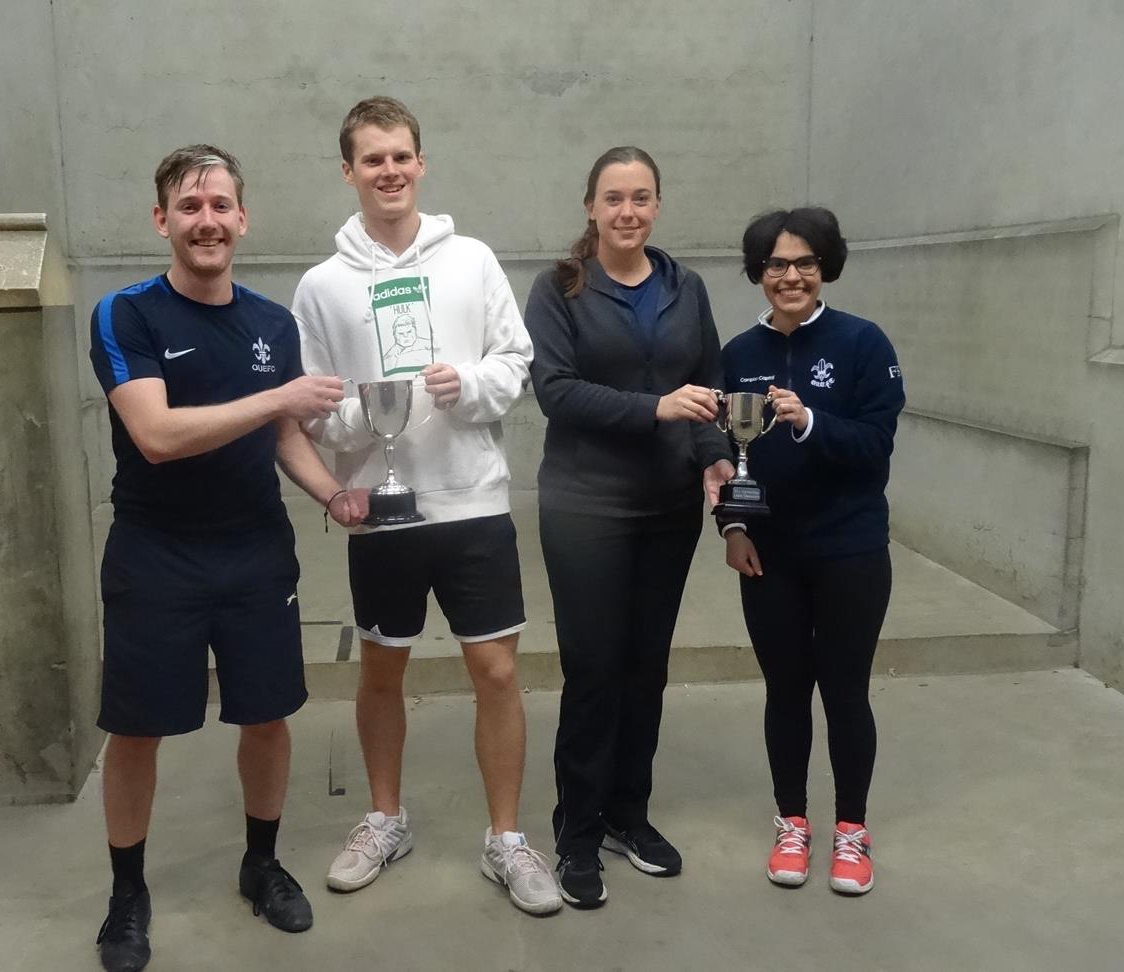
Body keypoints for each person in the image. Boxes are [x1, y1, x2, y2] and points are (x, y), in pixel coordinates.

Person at [88, 145, 364, 972]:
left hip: (254, 556)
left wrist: (332, 495)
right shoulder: (125, 315)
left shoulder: (271, 324)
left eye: (220, 206)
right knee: (136, 731)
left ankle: (262, 863)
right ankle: (127, 893)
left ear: (242, 218)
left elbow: (282, 435)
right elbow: (157, 435)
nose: (206, 221)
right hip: (155, 555)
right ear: (162, 219)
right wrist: (282, 394)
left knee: (266, 715)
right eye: (189, 206)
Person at [291, 97, 561, 916]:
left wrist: (468, 385)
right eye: (371, 158)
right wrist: (364, 416)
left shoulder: (471, 260)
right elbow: (310, 406)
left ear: (421, 162)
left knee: (497, 670)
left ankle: (506, 838)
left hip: (472, 505)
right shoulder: (322, 285)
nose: (389, 170)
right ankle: (384, 817)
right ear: (348, 171)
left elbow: (517, 359)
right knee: (381, 670)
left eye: (401, 155)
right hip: (381, 509)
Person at [523, 147, 734, 909]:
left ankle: (627, 815)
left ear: (657, 206)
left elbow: (709, 385)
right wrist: (654, 408)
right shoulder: (559, 289)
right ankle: (576, 833)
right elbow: (555, 391)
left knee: (648, 667)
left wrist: (713, 456)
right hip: (585, 506)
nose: (628, 212)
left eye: (642, 197)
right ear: (591, 207)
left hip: (668, 506)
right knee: (595, 671)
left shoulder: (687, 287)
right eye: (614, 198)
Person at [717, 207, 904, 896]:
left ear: (825, 267)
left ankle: (850, 830)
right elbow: (725, 454)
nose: (790, 276)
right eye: (775, 264)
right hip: (768, 554)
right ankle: (791, 822)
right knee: (785, 689)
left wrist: (809, 421)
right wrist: (732, 531)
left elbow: (874, 447)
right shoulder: (738, 353)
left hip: (849, 546)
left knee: (845, 688)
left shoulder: (862, 343)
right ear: (758, 273)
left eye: (804, 263)